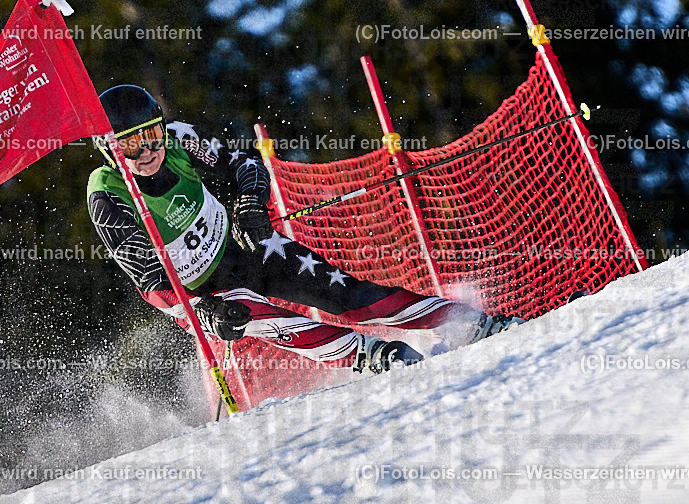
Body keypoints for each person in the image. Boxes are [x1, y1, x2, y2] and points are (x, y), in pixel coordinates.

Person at [87, 85, 522, 375]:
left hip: (240, 247)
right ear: (108, 148)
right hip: (201, 292)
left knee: (343, 292)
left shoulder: (180, 138)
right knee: (263, 315)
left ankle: (469, 322)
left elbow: (242, 165)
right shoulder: (108, 194)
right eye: (129, 143)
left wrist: (250, 207)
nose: (146, 151)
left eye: (150, 136)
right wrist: (203, 312)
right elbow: (150, 281)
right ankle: (369, 355)